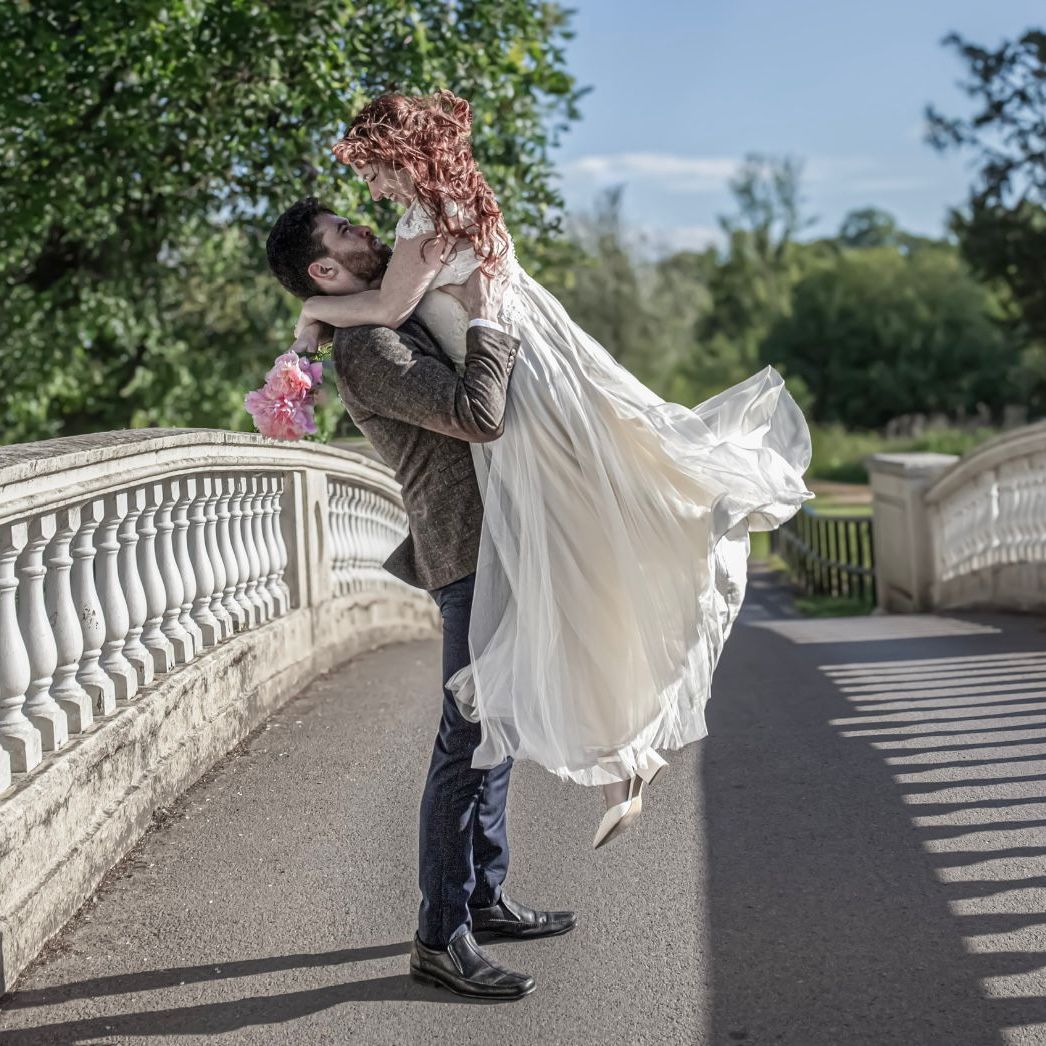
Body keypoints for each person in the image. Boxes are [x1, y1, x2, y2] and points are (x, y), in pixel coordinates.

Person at [293, 89, 814, 850]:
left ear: (400, 157)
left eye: (371, 171)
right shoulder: (459, 202)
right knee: (577, 561)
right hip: (544, 369)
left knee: (567, 561)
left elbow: (386, 308)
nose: (368, 193)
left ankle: (620, 753)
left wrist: (313, 314)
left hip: (516, 388)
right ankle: (623, 757)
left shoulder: (422, 224)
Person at [266, 199, 576, 1002]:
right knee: (465, 738)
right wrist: (483, 322)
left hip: (496, 544)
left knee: (493, 728)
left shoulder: (386, 316)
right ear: (324, 272)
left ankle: (484, 896)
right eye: (344, 234)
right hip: (466, 553)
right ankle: (440, 936)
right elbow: (478, 414)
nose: (365, 230)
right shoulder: (368, 347)